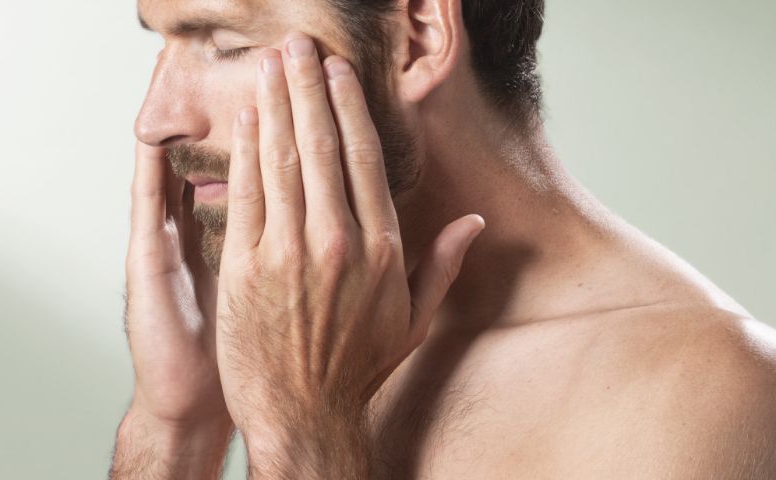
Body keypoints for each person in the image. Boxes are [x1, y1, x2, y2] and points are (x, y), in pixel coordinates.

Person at [112, 0, 776, 478]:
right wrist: (176, 428)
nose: (157, 118)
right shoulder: (286, 332)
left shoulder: (703, 398)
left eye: (226, 42)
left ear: (421, 37)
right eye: (162, 43)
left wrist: (302, 439)